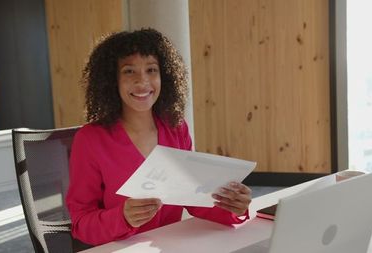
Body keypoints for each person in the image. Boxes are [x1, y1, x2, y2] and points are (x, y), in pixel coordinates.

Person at [66, 28, 252, 246]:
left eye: (151, 70)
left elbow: (192, 200)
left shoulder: (176, 128)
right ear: (111, 80)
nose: (143, 81)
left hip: (169, 247)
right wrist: (122, 218)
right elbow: (80, 224)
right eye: (129, 71)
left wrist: (233, 207)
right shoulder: (90, 140)